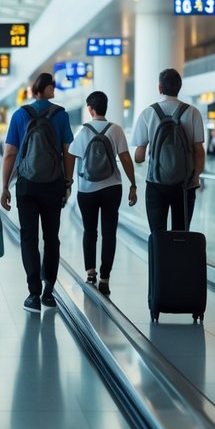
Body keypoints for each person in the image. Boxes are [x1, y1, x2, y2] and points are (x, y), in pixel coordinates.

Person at [0, 72, 74, 315]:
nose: (55, 90)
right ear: (44, 90)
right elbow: (68, 151)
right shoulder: (60, 115)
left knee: (29, 237)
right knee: (51, 237)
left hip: (27, 185)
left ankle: (32, 293)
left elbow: (10, 153)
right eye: (52, 86)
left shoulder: (20, 115)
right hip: (53, 183)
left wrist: (4, 187)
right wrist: (67, 181)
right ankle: (48, 291)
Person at [68, 91, 138, 296]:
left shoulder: (83, 132)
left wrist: (68, 182)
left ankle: (90, 272)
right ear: (106, 107)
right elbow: (125, 159)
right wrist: (133, 184)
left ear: (90, 110)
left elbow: (71, 156)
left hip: (87, 189)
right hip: (112, 188)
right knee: (109, 233)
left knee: (89, 231)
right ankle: (105, 278)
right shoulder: (115, 130)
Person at [131, 68, 206, 232]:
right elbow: (199, 151)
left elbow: (139, 156)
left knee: (157, 234)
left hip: (156, 183)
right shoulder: (193, 112)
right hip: (186, 184)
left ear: (160, 88)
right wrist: (196, 177)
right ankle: (179, 258)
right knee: (181, 233)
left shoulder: (147, 113)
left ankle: (159, 258)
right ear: (179, 87)